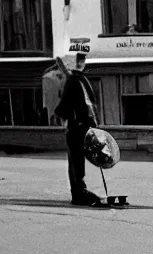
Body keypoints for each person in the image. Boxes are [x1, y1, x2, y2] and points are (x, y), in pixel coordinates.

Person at [55, 52, 102, 206]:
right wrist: (76, 121)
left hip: (83, 126)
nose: (83, 62)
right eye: (80, 60)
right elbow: (66, 106)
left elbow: (88, 104)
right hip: (76, 126)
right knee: (76, 160)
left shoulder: (79, 79)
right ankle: (78, 193)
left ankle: (80, 190)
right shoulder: (73, 80)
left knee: (79, 160)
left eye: (83, 60)